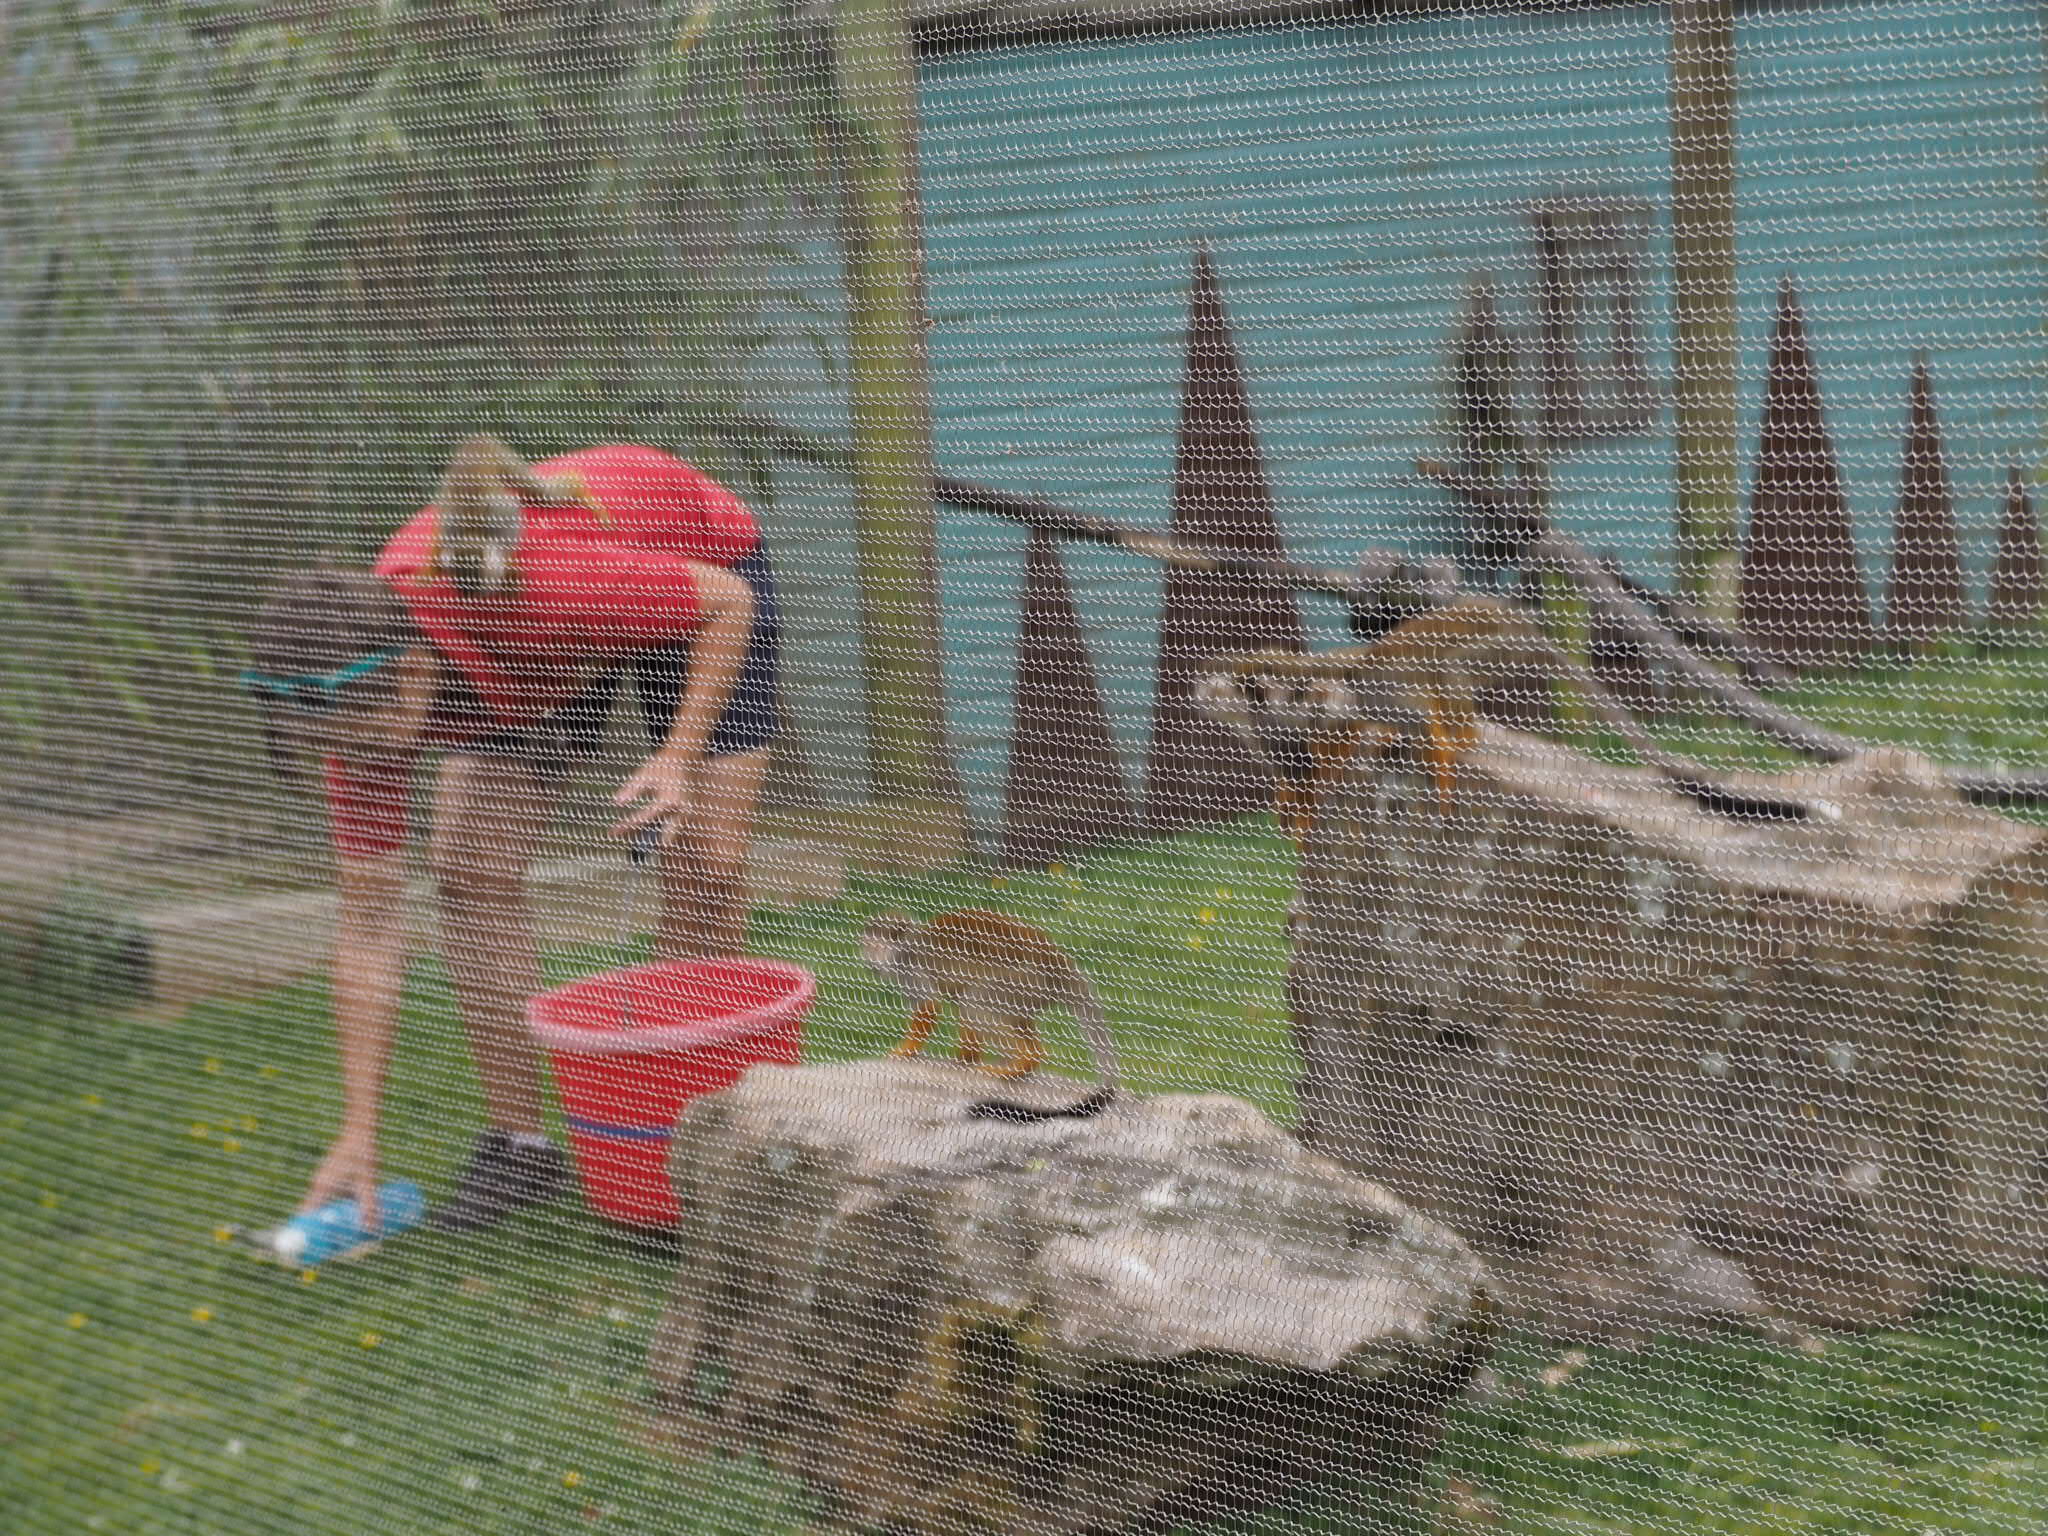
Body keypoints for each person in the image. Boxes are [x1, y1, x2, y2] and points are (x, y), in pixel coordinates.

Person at [243, 439, 781, 1234]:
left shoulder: (540, 594)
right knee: (468, 869)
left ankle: (706, 1140)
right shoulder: (351, 706)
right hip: (525, 660)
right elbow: (369, 923)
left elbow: (724, 602)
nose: (358, 762)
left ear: (414, 673)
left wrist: (676, 758)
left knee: (704, 860)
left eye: (366, 738)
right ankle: (521, 1146)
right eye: (337, 746)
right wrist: (360, 1127)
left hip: (696, 580)